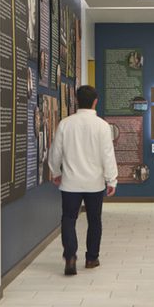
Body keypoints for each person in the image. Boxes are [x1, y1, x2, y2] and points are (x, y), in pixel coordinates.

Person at [47, 85, 117, 275]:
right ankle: (92, 258)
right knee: (94, 220)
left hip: (70, 183)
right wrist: (112, 180)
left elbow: (55, 152)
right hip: (95, 184)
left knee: (69, 219)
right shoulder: (102, 126)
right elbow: (107, 155)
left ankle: (70, 257)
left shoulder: (65, 124)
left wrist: (55, 172)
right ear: (96, 101)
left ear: (77, 101)